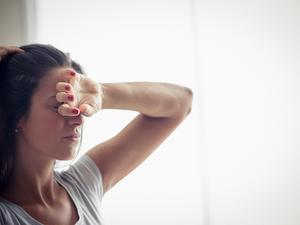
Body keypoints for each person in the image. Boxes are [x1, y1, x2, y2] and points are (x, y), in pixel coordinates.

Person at [0, 44, 193, 225]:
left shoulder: (83, 184)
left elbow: (182, 103)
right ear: (15, 113)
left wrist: (103, 93)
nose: (78, 118)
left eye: (76, 103)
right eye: (59, 105)